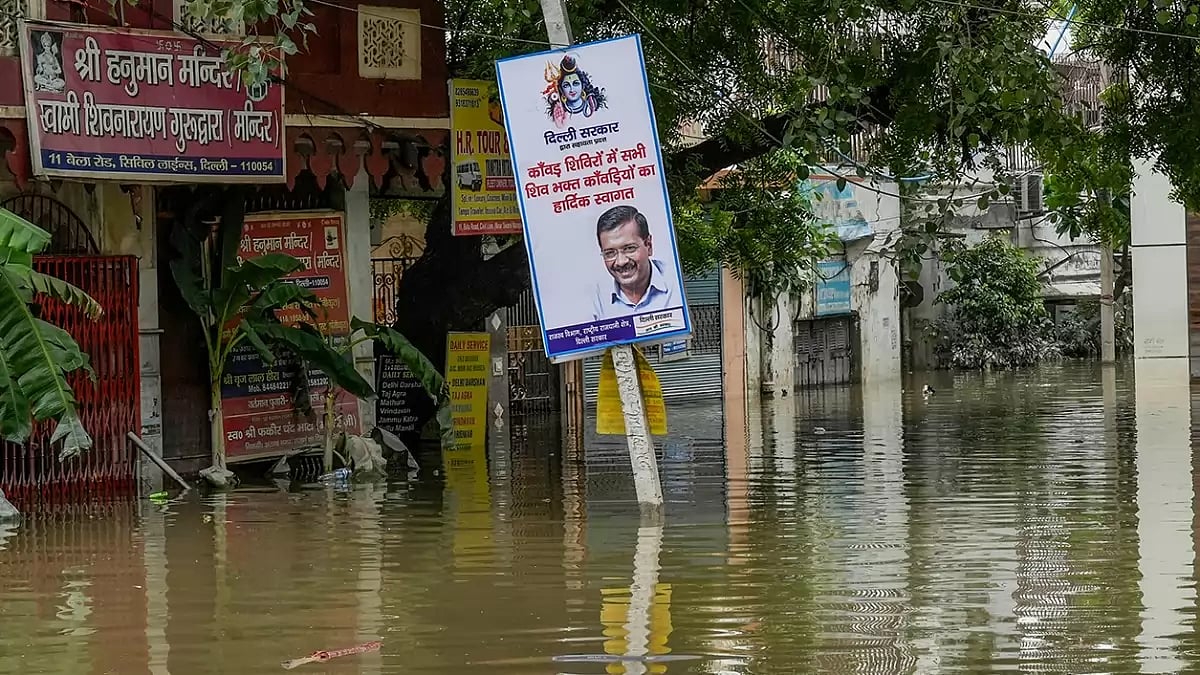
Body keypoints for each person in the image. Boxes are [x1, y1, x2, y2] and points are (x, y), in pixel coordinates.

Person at [591, 205, 677, 320]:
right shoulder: (595, 297)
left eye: (629, 248)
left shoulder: (675, 283)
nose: (621, 262)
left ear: (649, 245)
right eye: (610, 253)